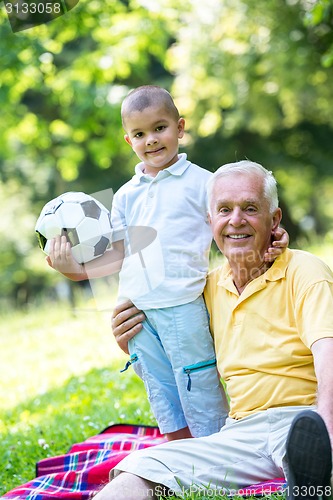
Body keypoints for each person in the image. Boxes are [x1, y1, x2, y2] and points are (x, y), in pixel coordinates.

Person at [47, 86, 287, 442]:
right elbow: (117, 253)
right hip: (137, 309)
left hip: (183, 305)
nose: (151, 140)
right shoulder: (126, 194)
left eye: (160, 128)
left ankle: (215, 450)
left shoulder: (203, 183)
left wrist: (273, 238)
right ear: (128, 140)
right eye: (140, 134)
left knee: (198, 380)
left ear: (180, 128)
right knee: (159, 387)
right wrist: (74, 270)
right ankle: (177, 449)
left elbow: (231, 227)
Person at [93, 160, 333, 500]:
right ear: (210, 221)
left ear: (274, 219)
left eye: (250, 208)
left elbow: (329, 355)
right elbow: (181, 354)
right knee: (138, 470)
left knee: (310, 457)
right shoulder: (201, 290)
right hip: (238, 435)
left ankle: (313, 480)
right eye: (224, 210)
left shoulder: (304, 270)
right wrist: (132, 342)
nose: (236, 220)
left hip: (306, 419)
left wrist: (327, 430)